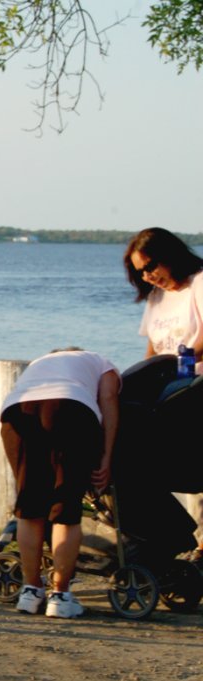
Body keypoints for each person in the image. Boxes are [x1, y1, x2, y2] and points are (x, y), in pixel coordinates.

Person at [0, 349, 119, 619]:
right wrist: (107, 457)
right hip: (69, 409)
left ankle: (30, 591)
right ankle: (61, 595)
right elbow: (109, 398)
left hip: (17, 411)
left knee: (29, 506)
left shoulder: (41, 361)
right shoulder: (102, 363)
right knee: (65, 508)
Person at [124, 227, 203, 563]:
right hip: (168, 393)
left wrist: (183, 356)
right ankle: (158, 537)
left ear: (171, 256)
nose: (148, 275)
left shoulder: (199, 283)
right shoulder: (156, 297)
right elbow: (153, 346)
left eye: (151, 265)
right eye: (140, 271)